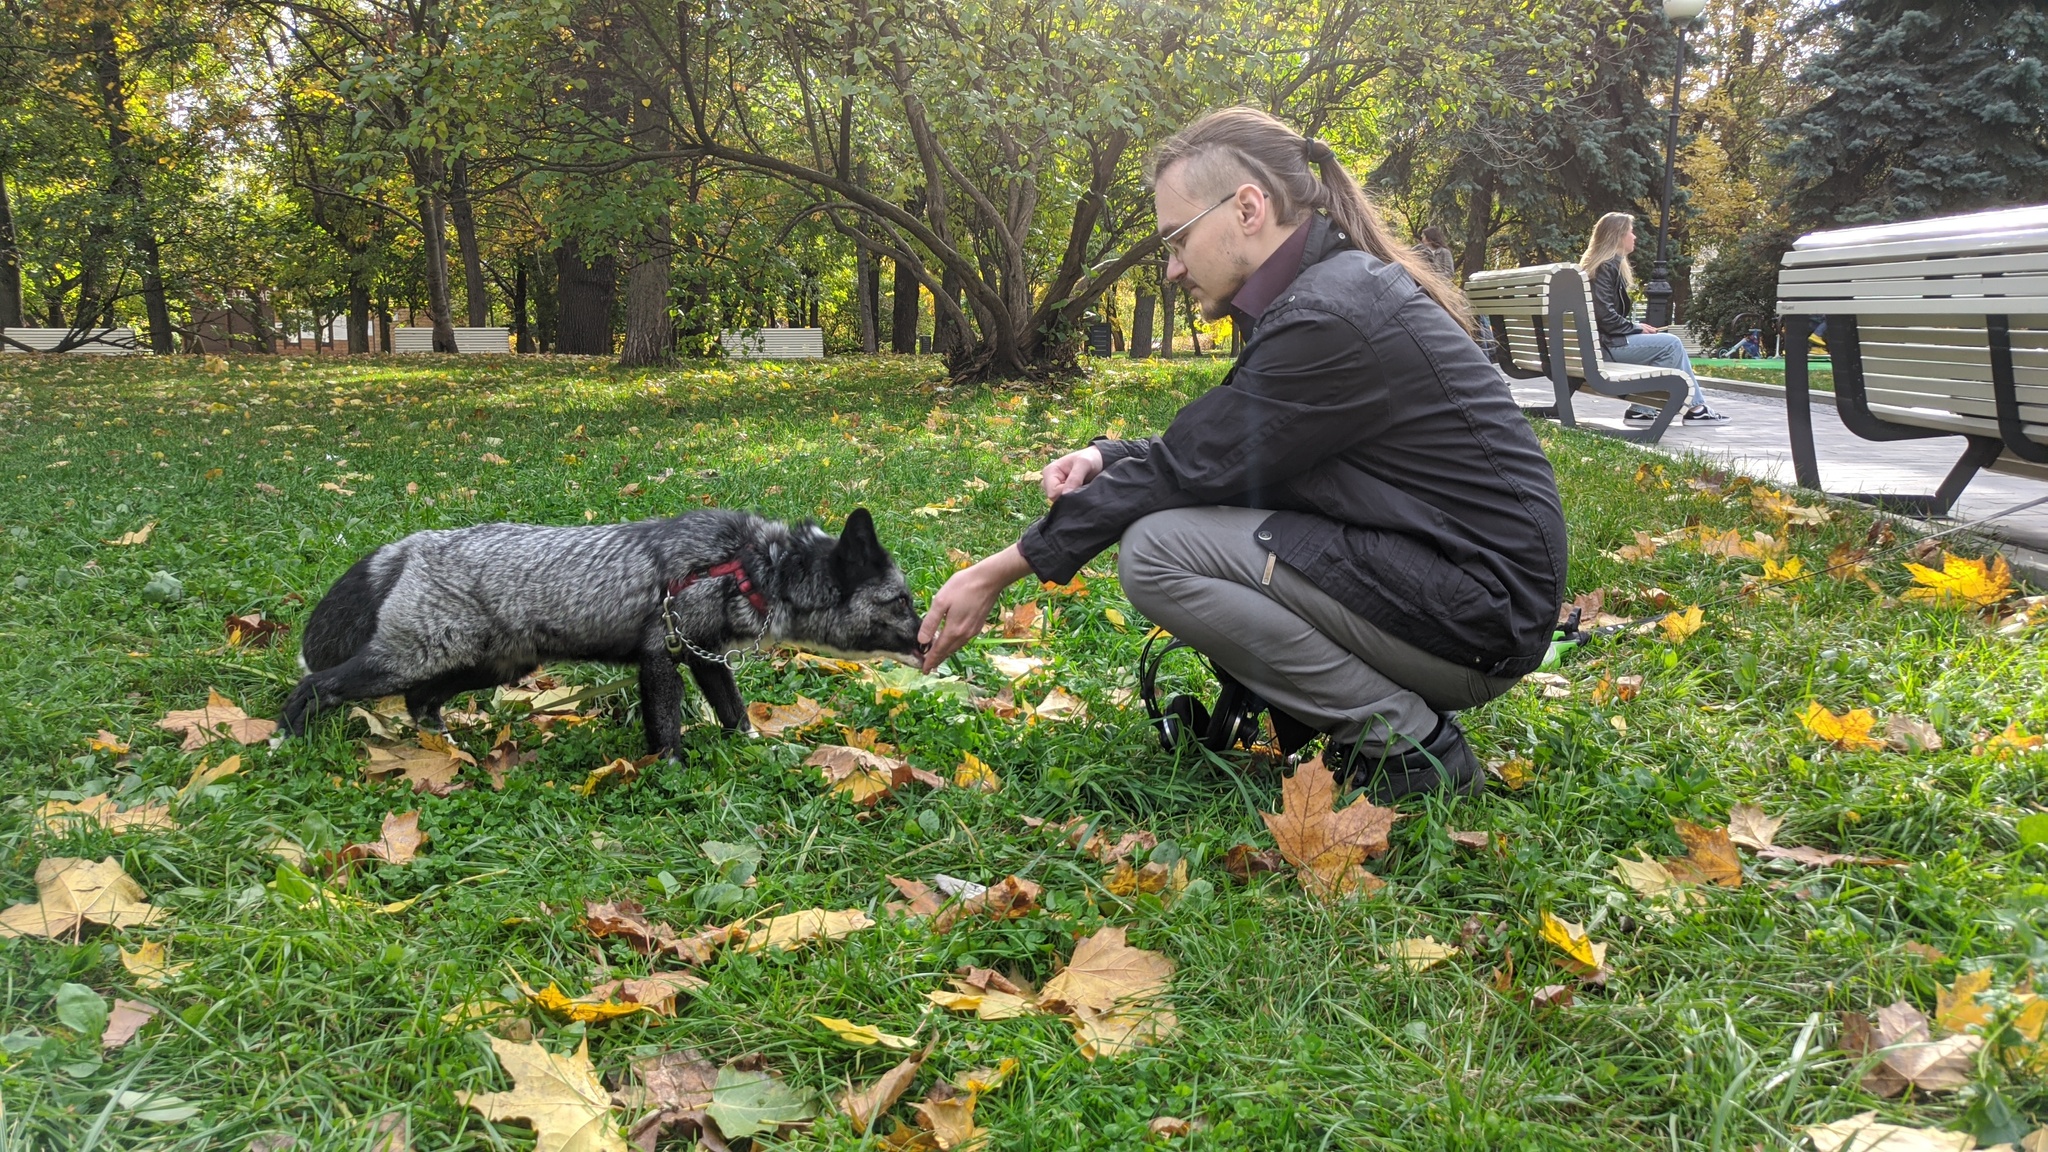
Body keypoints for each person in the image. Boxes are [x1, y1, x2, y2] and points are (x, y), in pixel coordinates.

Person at [916, 107, 1567, 802]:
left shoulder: (1330, 314)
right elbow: (1240, 446)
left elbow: (1193, 467)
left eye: (1177, 239)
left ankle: (1409, 747)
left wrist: (995, 572)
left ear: (1249, 207)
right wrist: (1110, 456)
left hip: (1481, 616)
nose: (1170, 269)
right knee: (1180, 525)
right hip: (1466, 595)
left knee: (1159, 552)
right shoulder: (1331, 289)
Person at [1581, 211, 1729, 424]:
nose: (1635, 237)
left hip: (1597, 347)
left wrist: (1636, 327)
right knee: (1671, 345)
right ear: (1618, 236)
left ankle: (1644, 409)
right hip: (1605, 348)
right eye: (1631, 232)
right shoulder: (1605, 266)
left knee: (1665, 348)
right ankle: (1696, 408)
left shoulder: (1601, 266)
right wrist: (1635, 327)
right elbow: (1604, 316)